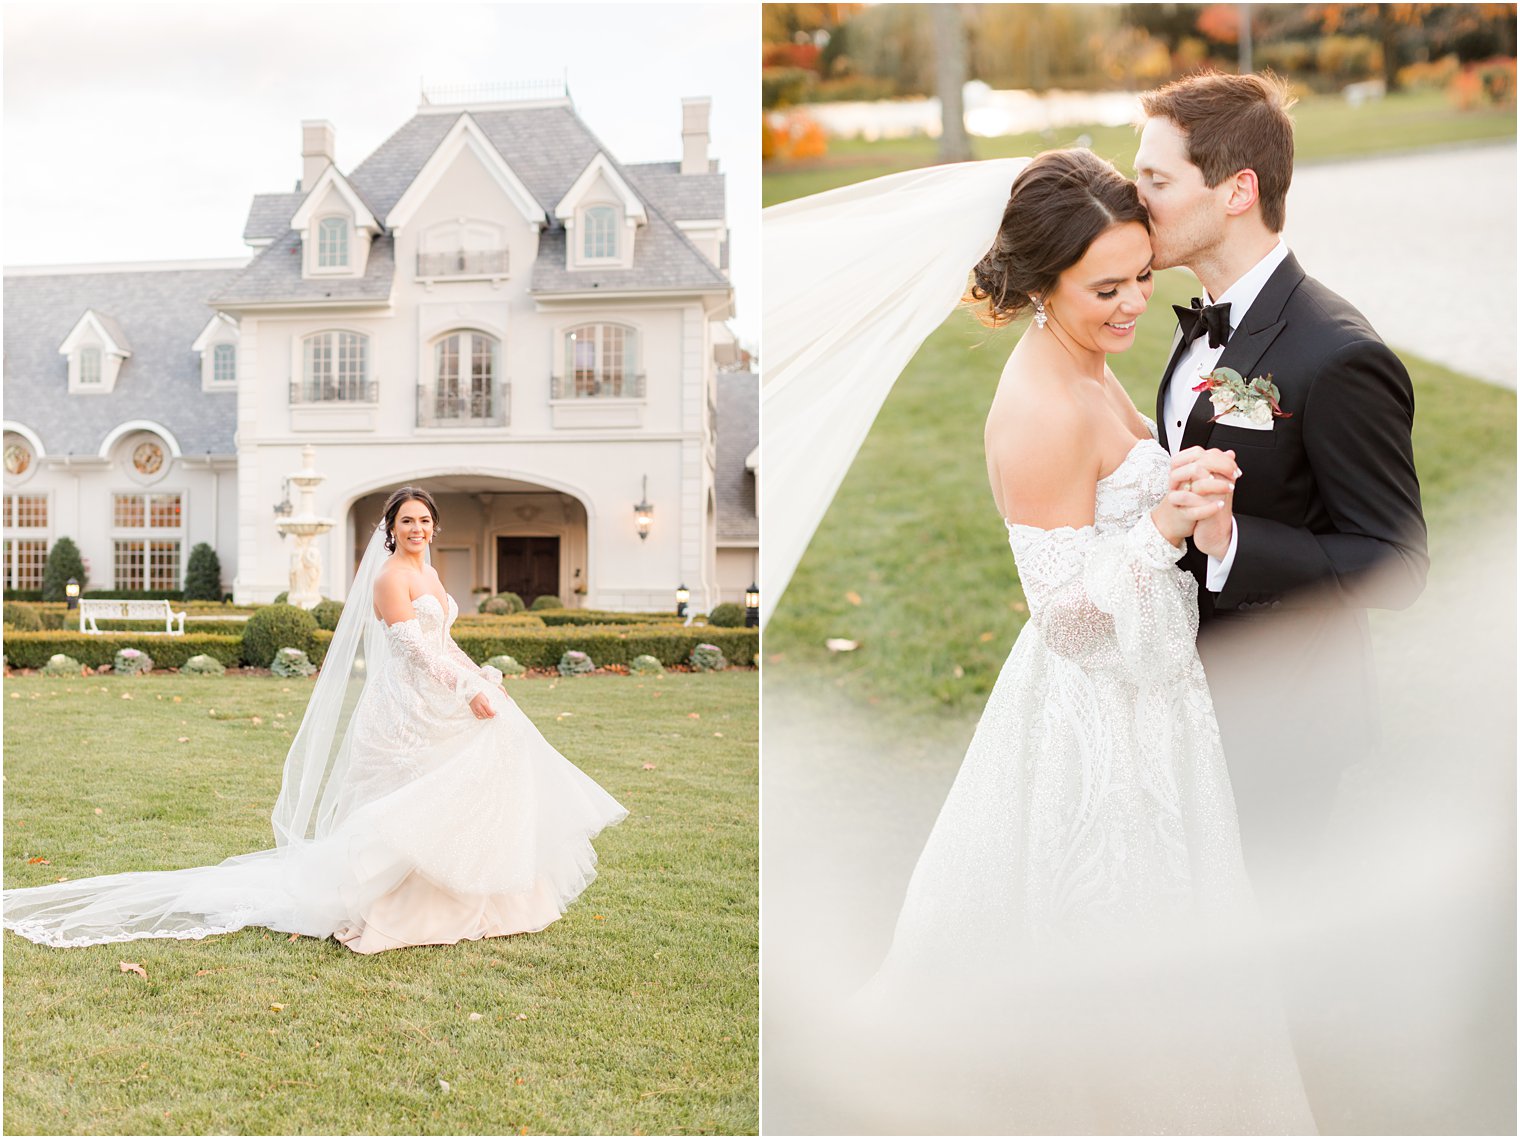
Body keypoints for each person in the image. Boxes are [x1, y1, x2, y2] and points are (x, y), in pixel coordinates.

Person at [764, 150, 1315, 1132]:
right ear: (1036, 283)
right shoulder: (1037, 406)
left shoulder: (1085, 365)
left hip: (1152, 693)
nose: (1134, 303)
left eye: (1142, 275)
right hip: (1097, 718)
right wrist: (1160, 528)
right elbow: (1063, 617)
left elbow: (1111, 512)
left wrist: (1173, 482)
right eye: (1105, 287)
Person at [3, 486, 627, 953]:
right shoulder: (388, 578)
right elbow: (415, 650)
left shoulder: (430, 571)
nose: (417, 528)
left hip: (438, 692)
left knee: (486, 760)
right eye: (407, 520)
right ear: (391, 529)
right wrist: (464, 689)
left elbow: (446, 642)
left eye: (425, 520)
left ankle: (477, 898)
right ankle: (381, 906)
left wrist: (480, 676)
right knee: (409, 800)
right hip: (405, 708)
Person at [1134, 72, 1428, 886]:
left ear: (1237, 190)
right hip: (1192, 703)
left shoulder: (1339, 356)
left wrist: (1233, 543)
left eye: (1156, 180)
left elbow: (1396, 562)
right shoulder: (1202, 319)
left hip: (1285, 720)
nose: (1135, 199)